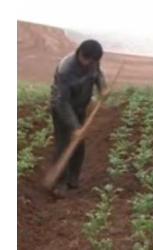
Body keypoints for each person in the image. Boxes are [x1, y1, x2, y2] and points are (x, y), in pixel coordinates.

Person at [50, 39, 109, 198]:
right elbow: (62, 102)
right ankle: (58, 183)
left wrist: (102, 87)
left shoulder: (92, 62)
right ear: (80, 54)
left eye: (94, 61)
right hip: (62, 108)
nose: (90, 64)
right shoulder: (65, 69)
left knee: (79, 144)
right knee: (63, 144)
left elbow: (97, 75)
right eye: (88, 60)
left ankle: (72, 179)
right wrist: (75, 127)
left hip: (80, 106)